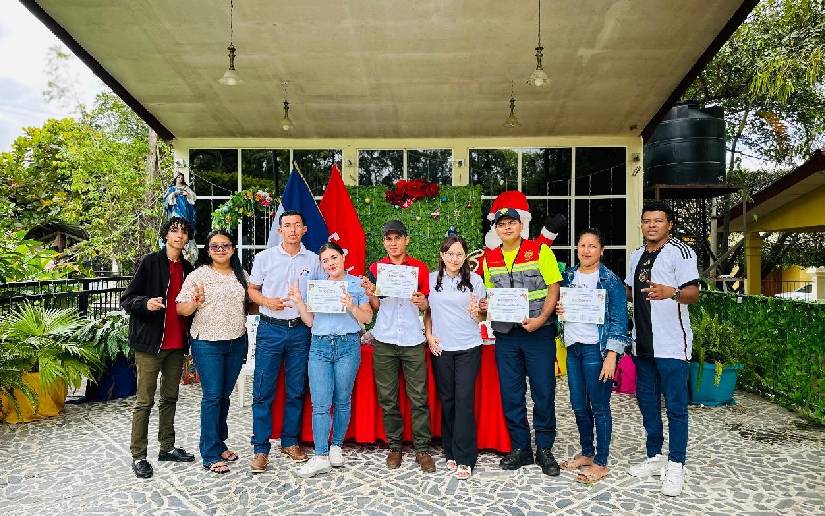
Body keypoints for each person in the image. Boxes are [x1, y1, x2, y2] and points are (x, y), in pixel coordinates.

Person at [477, 207, 562, 476]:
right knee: (512, 394)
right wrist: (485, 305)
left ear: (521, 225)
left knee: (543, 391)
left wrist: (542, 318)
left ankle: (545, 448)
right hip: (506, 335)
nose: (507, 227)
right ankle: (521, 448)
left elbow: (553, 287)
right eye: (501, 224)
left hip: (538, 332)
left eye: (511, 222)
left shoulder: (540, 251)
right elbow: (491, 294)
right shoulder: (489, 258)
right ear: (496, 229)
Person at [625, 201, 700, 496]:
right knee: (647, 404)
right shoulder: (636, 255)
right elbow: (630, 292)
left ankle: (676, 464)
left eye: (658, 221)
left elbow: (693, 293)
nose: (651, 225)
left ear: (669, 224)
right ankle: (654, 457)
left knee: (676, 408)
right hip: (642, 345)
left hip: (672, 345)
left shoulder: (681, 252)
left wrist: (672, 292)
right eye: (647, 221)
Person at [284, 242, 373, 478]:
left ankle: (336, 446)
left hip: (348, 345)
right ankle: (321, 455)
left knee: (342, 399)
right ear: (322, 265)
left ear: (343, 258)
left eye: (334, 257)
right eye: (325, 260)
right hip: (320, 347)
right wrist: (299, 301)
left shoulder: (355, 284)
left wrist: (352, 306)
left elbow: (367, 317)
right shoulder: (317, 286)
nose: (330, 263)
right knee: (321, 403)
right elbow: (310, 321)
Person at [247, 210, 323, 474]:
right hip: (270, 330)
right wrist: (267, 301)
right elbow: (252, 290)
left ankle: (290, 441)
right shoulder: (264, 258)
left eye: (297, 225)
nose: (292, 230)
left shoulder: (314, 260)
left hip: (300, 331)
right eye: (287, 225)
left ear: (304, 230)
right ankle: (260, 448)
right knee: (263, 390)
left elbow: (320, 292)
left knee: (296, 389)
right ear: (279, 230)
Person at [120, 216, 196, 479]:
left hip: (177, 344)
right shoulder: (150, 262)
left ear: (188, 238)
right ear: (166, 235)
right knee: (144, 401)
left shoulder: (188, 268)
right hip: (150, 345)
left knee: (170, 398)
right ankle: (139, 456)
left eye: (184, 232)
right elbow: (127, 299)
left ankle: (167, 447)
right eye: (174, 231)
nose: (179, 235)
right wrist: (145, 303)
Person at [362, 220, 435, 472]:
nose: (393, 243)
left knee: (419, 398)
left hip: (413, 340)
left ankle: (422, 449)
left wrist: (422, 302)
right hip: (384, 339)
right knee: (388, 398)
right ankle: (395, 447)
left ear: (406, 240)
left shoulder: (419, 268)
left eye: (397, 238)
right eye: (388, 239)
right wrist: (371, 292)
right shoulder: (376, 268)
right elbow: (376, 307)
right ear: (384, 242)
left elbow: (426, 305)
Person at [556, 228, 628, 484]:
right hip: (573, 348)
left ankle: (601, 462)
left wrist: (612, 355)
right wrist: (560, 310)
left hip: (596, 350)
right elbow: (562, 310)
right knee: (578, 405)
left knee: (599, 406)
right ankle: (587, 453)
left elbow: (619, 321)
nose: (586, 250)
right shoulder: (568, 276)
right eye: (582, 245)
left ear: (602, 250)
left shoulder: (610, 281)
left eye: (592, 246)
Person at [176, 230, 251, 474]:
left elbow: (250, 305)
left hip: (236, 341)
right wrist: (195, 302)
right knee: (212, 396)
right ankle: (209, 452)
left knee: (224, 395)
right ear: (208, 251)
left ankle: (220, 443)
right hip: (207, 343)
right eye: (215, 246)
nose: (220, 250)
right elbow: (181, 309)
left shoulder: (241, 275)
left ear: (233, 249)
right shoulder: (199, 275)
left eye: (225, 245)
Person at [424, 235, 485, 480]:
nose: (455, 258)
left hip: (469, 347)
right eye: (450, 254)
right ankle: (450, 450)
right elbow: (427, 312)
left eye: (459, 254)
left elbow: (482, 317)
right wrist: (429, 336)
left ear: (465, 256)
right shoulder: (430, 279)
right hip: (442, 348)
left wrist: (478, 312)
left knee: (464, 400)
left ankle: (465, 457)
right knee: (447, 400)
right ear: (442, 255)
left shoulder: (475, 280)